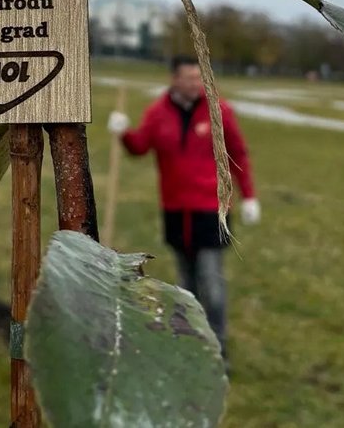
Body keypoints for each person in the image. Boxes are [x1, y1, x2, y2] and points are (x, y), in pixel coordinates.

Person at [107, 55, 260, 361]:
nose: (194, 83)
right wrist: (124, 133)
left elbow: (238, 153)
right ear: (174, 79)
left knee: (211, 282)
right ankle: (191, 343)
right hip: (176, 212)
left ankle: (217, 349)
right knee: (186, 286)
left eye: (198, 77)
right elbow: (140, 147)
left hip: (211, 211)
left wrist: (249, 196)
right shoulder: (158, 113)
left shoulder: (219, 111)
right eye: (188, 77)